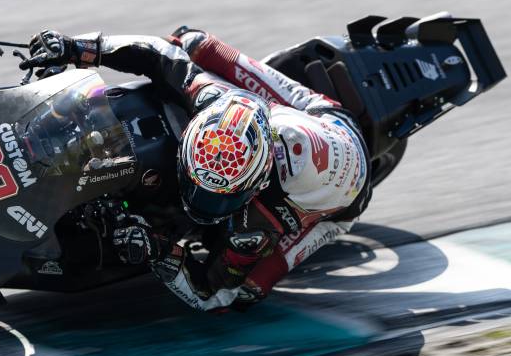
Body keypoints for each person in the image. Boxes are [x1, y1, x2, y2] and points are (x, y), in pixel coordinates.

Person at [19, 29, 372, 311]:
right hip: (302, 118)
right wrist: (77, 48)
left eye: (217, 196)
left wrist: (157, 249)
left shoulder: (262, 220)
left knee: (246, 292)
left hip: (343, 180)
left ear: (257, 184)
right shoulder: (214, 99)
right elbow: (160, 53)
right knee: (190, 43)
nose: (198, 199)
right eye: (195, 181)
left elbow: (213, 294)